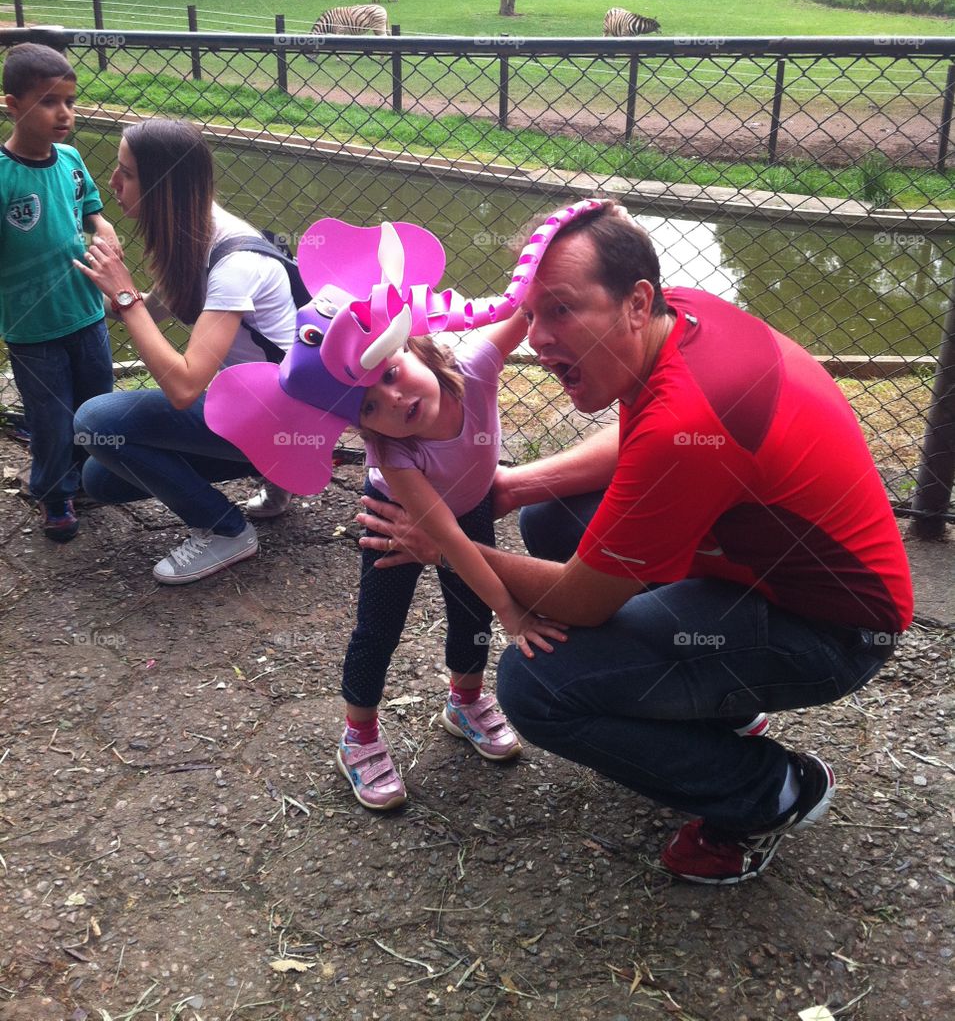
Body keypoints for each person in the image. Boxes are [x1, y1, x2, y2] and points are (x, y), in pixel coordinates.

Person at [356, 199, 914, 883]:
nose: (537, 339)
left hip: (834, 632)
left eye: (561, 310)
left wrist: (439, 547)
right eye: (531, 313)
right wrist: (514, 486)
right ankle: (720, 702)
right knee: (550, 519)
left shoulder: (686, 428)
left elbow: (582, 601)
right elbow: (646, 432)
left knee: (536, 687)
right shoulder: (679, 316)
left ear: (633, 300)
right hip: (764, 575)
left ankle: (767, 791)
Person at [335, 315, 567, 810]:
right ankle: (358, 734)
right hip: (395, 520)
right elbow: (449, 542)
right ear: (363, 426)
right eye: (370, 406)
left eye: (391, 373)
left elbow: (526, 310)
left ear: (415, 347)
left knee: (470, 613)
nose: (393, 400)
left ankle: (463, 703)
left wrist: (556, 242)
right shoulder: (391, 452)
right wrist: (513, 610)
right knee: (378, 628)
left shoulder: (478, 364)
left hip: (473, 503)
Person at [72, 118, 298, 584]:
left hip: (283, 425)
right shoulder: (195, 230)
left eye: (126, 174)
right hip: (263, 411)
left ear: (163, 186)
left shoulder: (233, 261)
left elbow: (183, 386)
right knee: (100, 477)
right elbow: (148, 314)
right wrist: (87, 274)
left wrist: (128, 295)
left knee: (95, 421)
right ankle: (279, 476)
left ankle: (227, 530)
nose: (112, 183)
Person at [0, 42, 119, 541]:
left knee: (96, 403)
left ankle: (86, 476)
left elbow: (89, 204)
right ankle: (54, 492)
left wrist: (101, 226)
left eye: (70, 101)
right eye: (49, 102)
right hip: (32, 327)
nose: (64, 113)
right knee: (51, 416)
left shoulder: (70, 158)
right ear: (12, 105)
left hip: (86, 312)